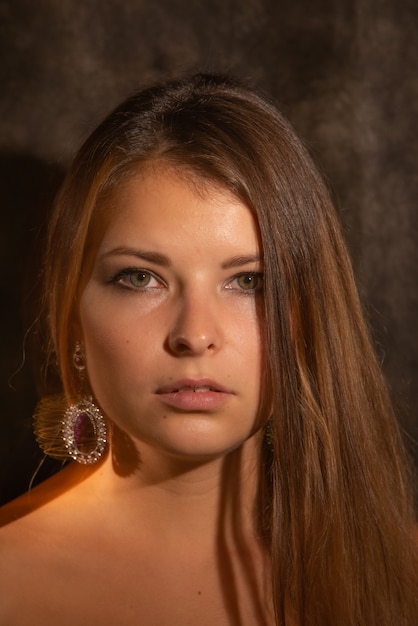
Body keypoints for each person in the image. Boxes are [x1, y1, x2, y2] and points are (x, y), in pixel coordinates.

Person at [0, 73, 416, 625]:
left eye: (248, 282)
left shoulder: (400, 572)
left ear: (312, 316)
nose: (195, 335)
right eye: (140, 278)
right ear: (73, 318)